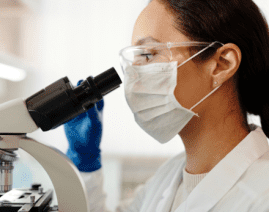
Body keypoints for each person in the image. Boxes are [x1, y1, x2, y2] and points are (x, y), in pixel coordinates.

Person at [65, 0, 269, 211]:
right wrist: (85, 164)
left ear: (221, 64)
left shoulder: (262, 198)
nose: (133, 75)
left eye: (148, 55)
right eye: (134, 59)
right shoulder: (167, 178)